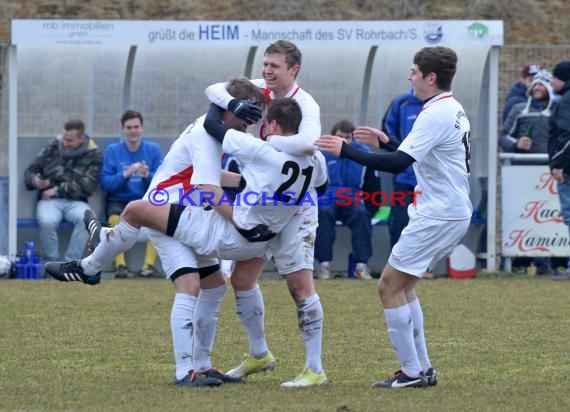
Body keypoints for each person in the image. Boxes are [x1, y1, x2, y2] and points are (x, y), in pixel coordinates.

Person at [46, 96, 328, 387]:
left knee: (136, 210)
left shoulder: (257, 148)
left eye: (257, 121)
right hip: (258, 238)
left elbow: (212, 144)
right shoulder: (315, 159)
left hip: (225, 232)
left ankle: (92, 264)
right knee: (213, 284)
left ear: (272, 124)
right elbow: (320, 186)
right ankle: (202, 365)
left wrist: (240, 216)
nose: (250, 126)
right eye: (245, 119)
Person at [316, 46, 471, 388]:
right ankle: (422, 369)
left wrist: (348, 151)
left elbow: (400, 164)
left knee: (387, 286)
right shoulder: (451, 107)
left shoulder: (434, 113)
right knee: (405, 288)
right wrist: (388, 141)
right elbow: (414, 154)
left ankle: (411, 372)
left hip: (439, 213)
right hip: (448, 210)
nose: (409, 76)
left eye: (414, 71)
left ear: (430, 78)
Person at [204, 40, 329, 388]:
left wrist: (269, 147)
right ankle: (259, 354)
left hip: (294, 210)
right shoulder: (259, 90)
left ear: (294, 70)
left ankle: (314, 369)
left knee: (299, 286)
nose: (267, 71)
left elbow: (307, 145)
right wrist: (231, 103)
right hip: (260, 203)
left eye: (275, 66)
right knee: (242, 280)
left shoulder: (306, 105)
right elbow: (214, 90)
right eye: (266, 64)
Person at [500, 70, 557, 276]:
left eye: (542, 84)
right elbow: (503, 136)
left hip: (550, 175)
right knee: (523, 217)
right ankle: (520, 262)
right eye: (535, 84)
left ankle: (556, 262)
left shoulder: (558, 110)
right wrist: (517, 143)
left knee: (552, 218)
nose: (538, 88)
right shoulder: (518, 109)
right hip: (523, 174)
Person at [24, 119, 102, 263]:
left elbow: (87, 187)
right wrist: (36, 181)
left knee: (88, 220)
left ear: (81, 138)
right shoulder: (54, 145)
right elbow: (30, 171)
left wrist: (55, 189)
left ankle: (71, 264)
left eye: (70, 140)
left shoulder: (94, 154)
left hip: (76, 201)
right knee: (47, 221)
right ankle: (51, 264)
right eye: (64, 138)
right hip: (49, 201)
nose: (64, 143)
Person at [100, 110, 163, 278]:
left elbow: (163, 182)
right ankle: (121, 266)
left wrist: (146, 175)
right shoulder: (113, 150)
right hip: (118, 200)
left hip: (144, 199)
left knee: (162, 217)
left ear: (142, 128)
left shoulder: (153, 150)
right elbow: (106, 184)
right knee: (114, 218)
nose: (133, 131)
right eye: (129, 127)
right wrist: (126, 174)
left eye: (136, 127)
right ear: (123, 129)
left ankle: (147, 267)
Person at [314, 119, 378, 280]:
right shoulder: (321, 155)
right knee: (324, 212)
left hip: (354, 199)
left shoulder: (364, 155)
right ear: (332, 137)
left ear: (353, 138)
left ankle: (360, 266)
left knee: (362, 213)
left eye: (348, 137)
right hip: (328, 199)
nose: (344, 141)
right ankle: (324, 265)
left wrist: (370, 209)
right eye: (340, 137)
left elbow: (373, 187)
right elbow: (313, 184)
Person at [381, 89, 423, 248]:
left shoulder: (439, 106)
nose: (411, 78)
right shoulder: (400, 103)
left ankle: (426, 266)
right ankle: (398, 263)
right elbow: (386, 135)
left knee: (427, 221)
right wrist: (403, 155)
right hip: (404, 177)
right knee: (400, 220)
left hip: (430, 180)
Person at [548, 60, 570, 280]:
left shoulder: (566, 100)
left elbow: (566, 136)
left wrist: (558, 163)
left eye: (554, 77)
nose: (551, 81)